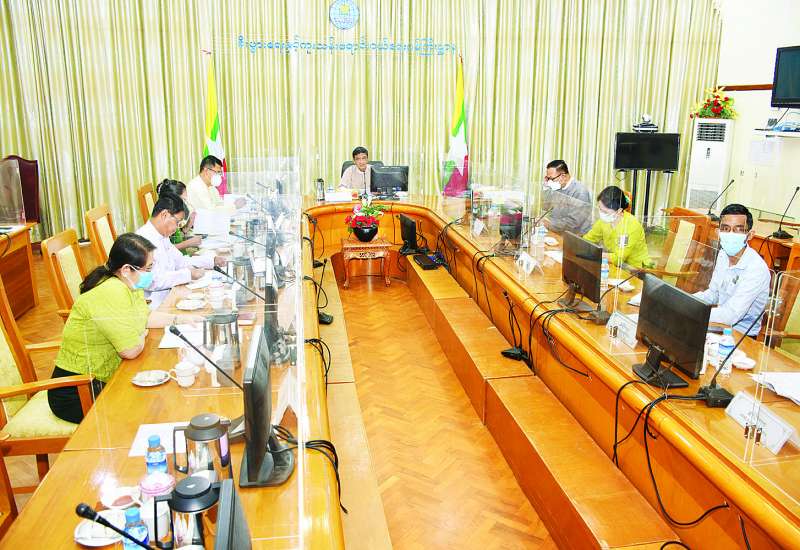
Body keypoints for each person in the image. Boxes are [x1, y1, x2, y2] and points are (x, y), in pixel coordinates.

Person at [47, 234, 201, 423]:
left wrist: (180, 319)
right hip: (78, 391)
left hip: (105, 378)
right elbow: (130, 350)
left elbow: (146, 317)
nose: (151, 274)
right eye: (148, 268)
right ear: (127, 269)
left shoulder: (128, 284)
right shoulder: (112, 291)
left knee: (158, 401)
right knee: (149, 411)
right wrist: (140, 334)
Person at [694, 204, 770, 336]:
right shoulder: (723, 254)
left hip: (741, 336)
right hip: (717, 326)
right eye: (725, 229)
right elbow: (713, 294)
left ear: (749, 235)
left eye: (738, 230)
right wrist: (686, 301)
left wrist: (692, 311)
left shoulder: (756, 269)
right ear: (718, 232)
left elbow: (731, 315)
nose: (730, 234)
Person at [136, 194, 226, 306]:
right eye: (177, 222)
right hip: (155, 303)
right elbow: (153, 282)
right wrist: (188, 274)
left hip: (171, 294)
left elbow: (180, 261)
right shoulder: (142, 240)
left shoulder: (162, 236)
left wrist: (212, 260)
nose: (177, 228)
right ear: (164, 215)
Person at [583, 186, 652, 268]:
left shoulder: (631, 225)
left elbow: (618, 258)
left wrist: (595, 254)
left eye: (605, 212)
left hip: (636, 268)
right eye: (600, 209)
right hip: (614, 265)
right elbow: (588, 239)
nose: (601, 213)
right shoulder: (603, 221)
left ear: (619, 210)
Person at [540, 160, 592, 235]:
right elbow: (546, 207)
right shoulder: (558, 187)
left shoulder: (580, 191)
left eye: (551, 179)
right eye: (548, 178)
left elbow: (574, 222)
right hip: (558, 231)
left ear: (563, 176)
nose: (550, 181)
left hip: (575, 235)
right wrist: (546, 187)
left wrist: (549, 223)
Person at [156, 179, 201, 252]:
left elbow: (176, 237)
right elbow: (163, 251)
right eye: (183, 200)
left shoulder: (172, 214)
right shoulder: (164, 219)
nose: (185, 203)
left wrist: (187, 227)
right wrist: (187, 243)